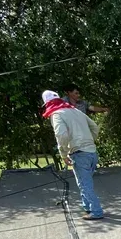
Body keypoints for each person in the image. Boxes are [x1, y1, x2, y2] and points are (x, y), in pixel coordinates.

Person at [41, 90, 104, 220]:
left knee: (85, 185)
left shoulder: (57, 114)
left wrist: (63, 154)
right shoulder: (76, 111)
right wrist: (89, 141)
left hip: (79, 154)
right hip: (92, 152)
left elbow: (61, 135)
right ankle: (87, 207)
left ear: (47, 104)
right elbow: (94, 127)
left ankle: (96, 211)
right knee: (84, 182)